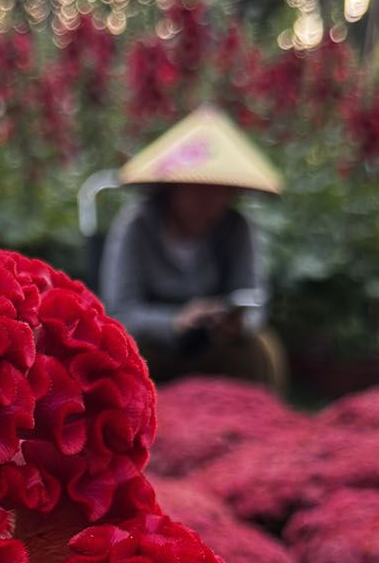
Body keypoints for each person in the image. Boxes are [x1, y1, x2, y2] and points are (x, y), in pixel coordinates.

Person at [100, 106, 287, 387]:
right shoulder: (135, 227)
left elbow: (255, 300)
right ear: (171, 188)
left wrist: (236, 323)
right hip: (154, 343)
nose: (207, 200)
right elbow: (121, 311)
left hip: (214, 343)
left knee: (262, 348)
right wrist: (176, 320)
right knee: (126, 349)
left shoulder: (237, 228)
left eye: (218, 191)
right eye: (196, 188)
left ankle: (259, 422)